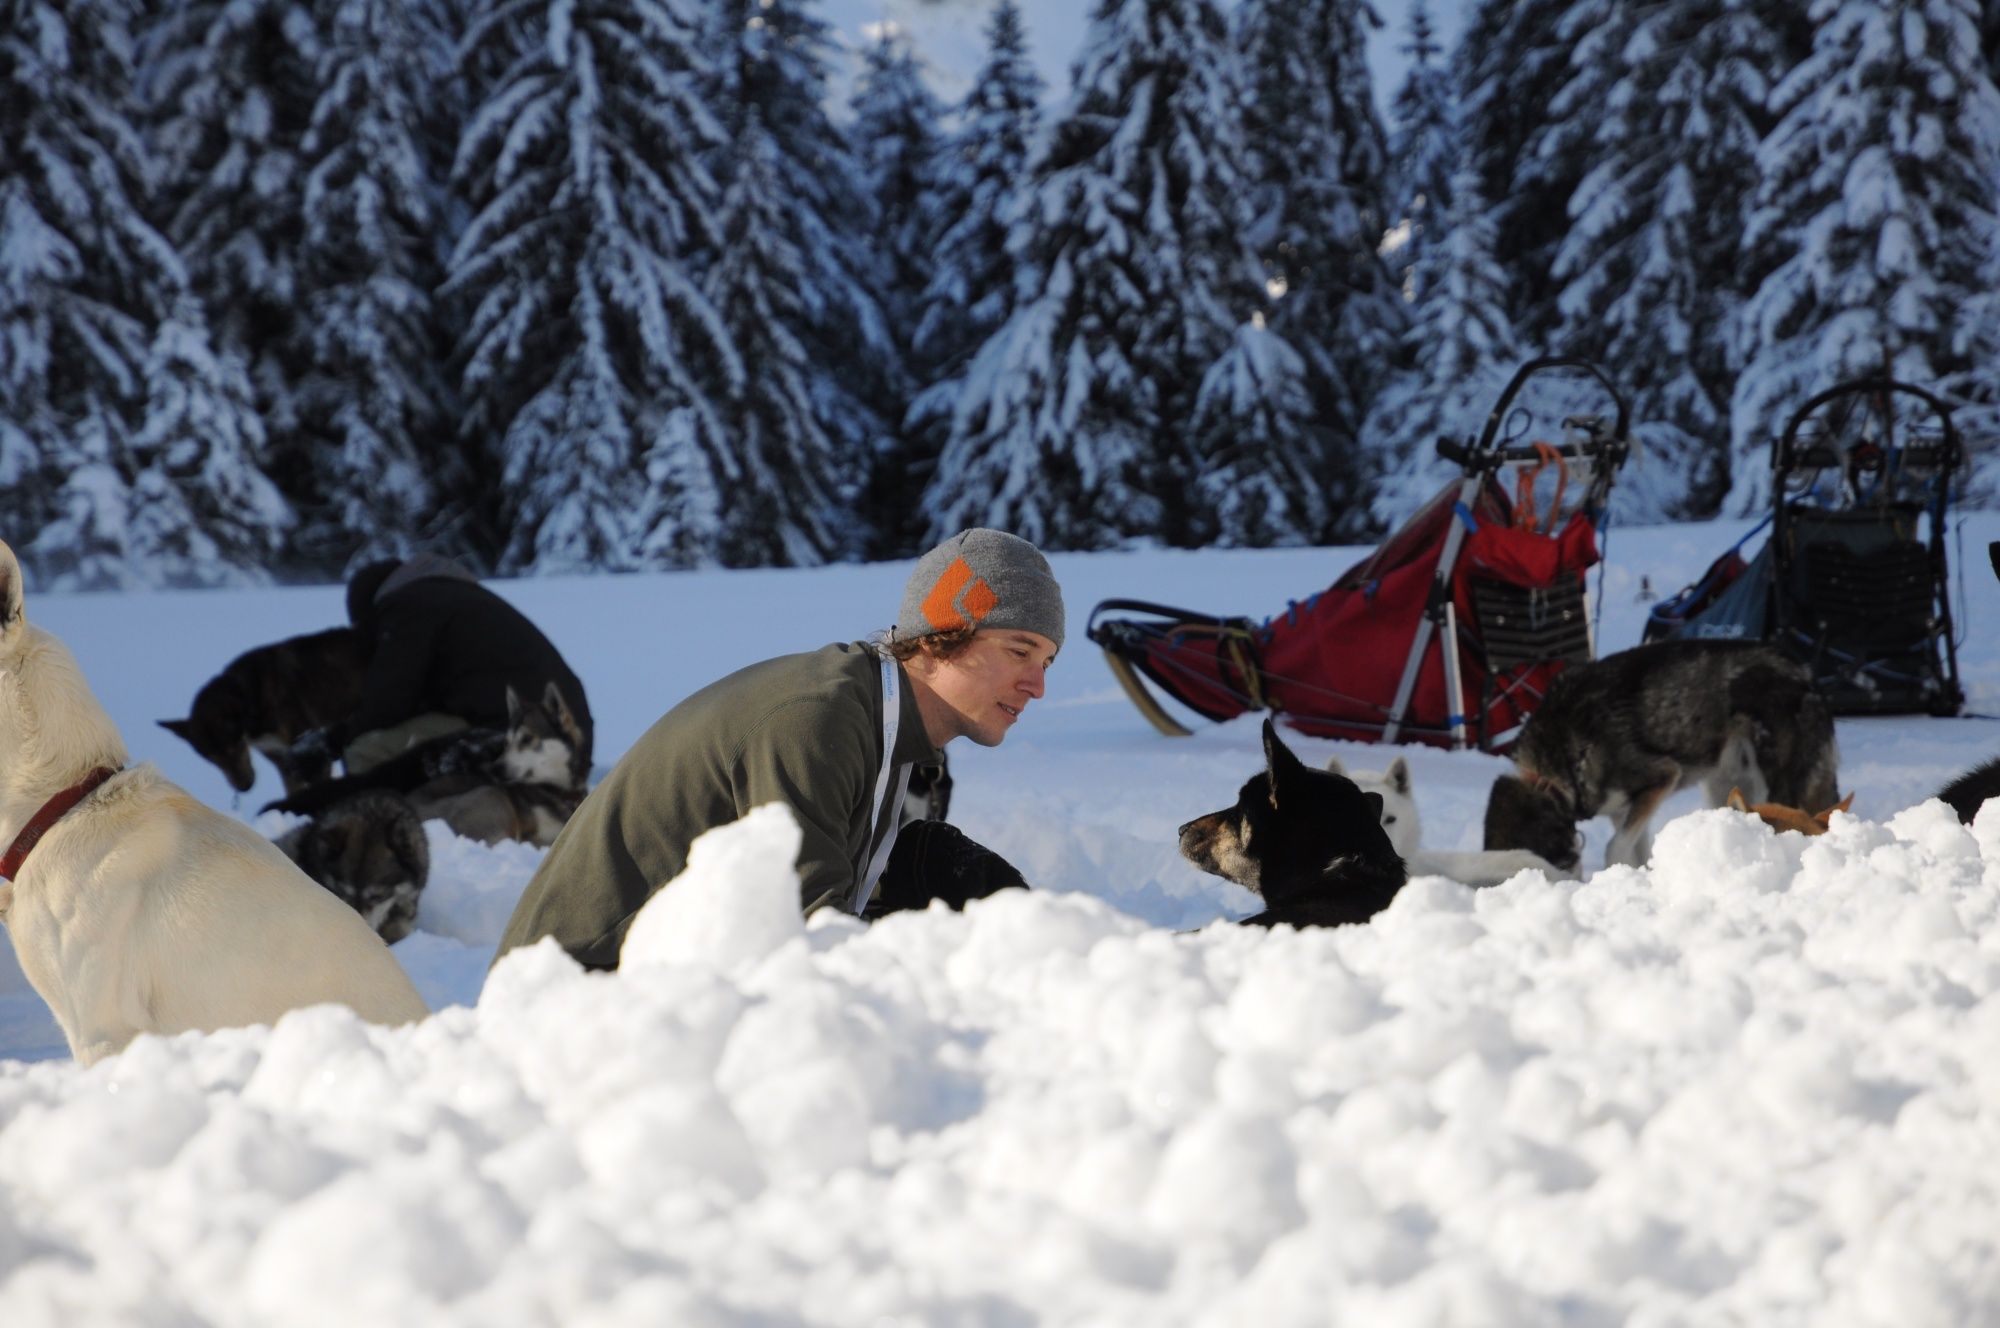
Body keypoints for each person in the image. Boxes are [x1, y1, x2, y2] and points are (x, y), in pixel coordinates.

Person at [493, 528, 1062, 971]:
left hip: (659, 979)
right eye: (1019, 651)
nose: (1036, 686)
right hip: (580, 1001)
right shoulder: (819, 720)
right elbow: (809, 944)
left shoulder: (878, 716)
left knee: (932, 868)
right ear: (942, 633)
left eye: (1046, 663)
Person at [294, 553, 594, 778]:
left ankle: (394, 836)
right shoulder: (452, 598)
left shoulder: (408, 606)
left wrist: (335, 740)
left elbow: (389, 700)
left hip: (519, 738)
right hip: (570, 740)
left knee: (367, 749)